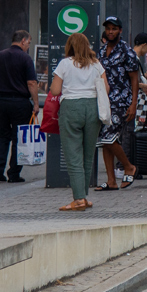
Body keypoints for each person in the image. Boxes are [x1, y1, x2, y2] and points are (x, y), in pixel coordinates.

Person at [50, 32, 107, 212]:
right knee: (88, 155)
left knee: (73, 155)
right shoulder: (97, 65)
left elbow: (55, 90)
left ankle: (79, 199)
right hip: (92, 108)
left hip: (71, 109)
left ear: (70, 46)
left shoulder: (64, 64)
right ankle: (84, 196)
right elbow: (106, 88)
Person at [0, 30, 38, 182]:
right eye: (28, 43)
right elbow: (32, 82)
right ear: (23, 41)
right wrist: (35, 103)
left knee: (2, 136)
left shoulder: (0, 55)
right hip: (20, 103)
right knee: (18, 138)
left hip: (1, 101)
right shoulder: (26, 58)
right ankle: (14, 173)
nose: (28, 46)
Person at [94, 16, 139, 190]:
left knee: (108, 137)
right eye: (108, 28)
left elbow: (134, 78)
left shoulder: (127, 51)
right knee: (106, 139)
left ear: (120, 30)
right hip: (105, 101)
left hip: (122, 101)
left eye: (114, 28)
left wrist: (133, 103)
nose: (110, 31)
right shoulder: (102, 50)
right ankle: (111, 181)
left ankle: (129, 166)